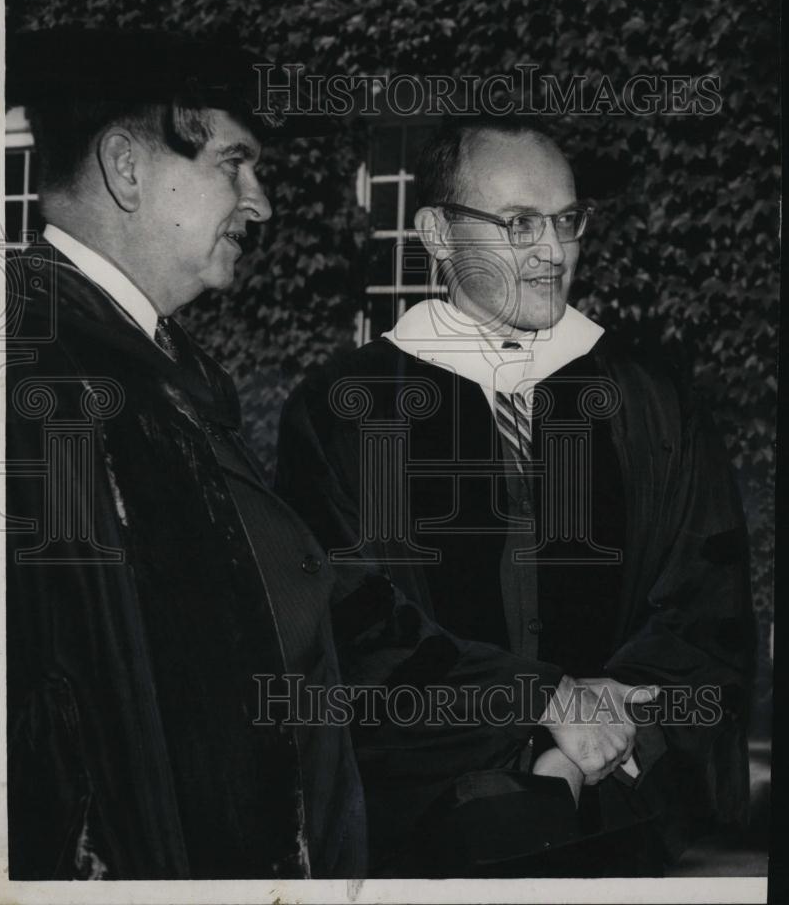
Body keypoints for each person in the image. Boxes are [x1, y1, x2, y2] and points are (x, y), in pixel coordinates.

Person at [276, 115, 756, 875]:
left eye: (567, 221)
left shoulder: (649, 399)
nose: (553, 251)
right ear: (435, 233)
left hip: (621, 802)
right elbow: (346, 621)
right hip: (435, 824)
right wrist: (536, 703)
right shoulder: (345, 408)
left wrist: (602, 728)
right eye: (520, 223)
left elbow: (705, 603)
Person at [3, 27, 364, 880]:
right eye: (233, 164)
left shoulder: (152, 373)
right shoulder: (34, 382)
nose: (262, 202)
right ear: (127, 168)